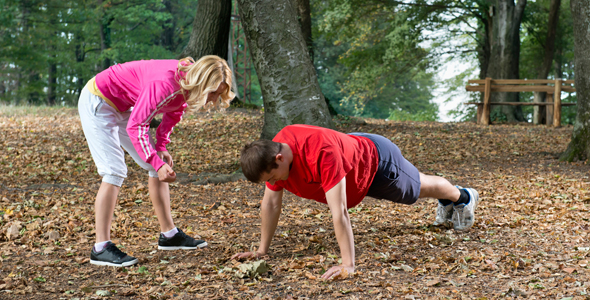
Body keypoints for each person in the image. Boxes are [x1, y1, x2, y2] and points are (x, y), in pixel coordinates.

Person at [232, 124, 479, 279]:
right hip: (352, 158)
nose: (276, 183)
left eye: (274, 176)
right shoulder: (275, 153)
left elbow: (338, 211)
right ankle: (448, 203)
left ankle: (463, 197)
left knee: (418, 189)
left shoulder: (321, 153)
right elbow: (271, 203)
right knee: (419, 188)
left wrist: (348, 264)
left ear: (279, 157)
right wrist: (261, 250)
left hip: (378, 163)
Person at [78, 55, 235, 267]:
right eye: (213, 92)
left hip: (123, 106)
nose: (214, 98)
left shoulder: (187, 84)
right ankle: (100, 247)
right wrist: (156, 159)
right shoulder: (165, 84)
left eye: (219, 93)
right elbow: (137, 126)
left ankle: (169, 235)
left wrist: (160, 148)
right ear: (202, 81)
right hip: (98, 100)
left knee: (157, 164)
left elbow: (175, 111)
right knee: (114, 171)